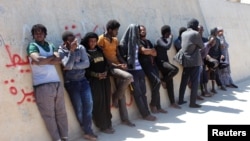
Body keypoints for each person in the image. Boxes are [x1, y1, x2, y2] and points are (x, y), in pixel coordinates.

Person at [27, 24, 68, 141]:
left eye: (41, 32)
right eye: (36, 33)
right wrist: (49, 59)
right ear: (33, 35)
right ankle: (57, 139)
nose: (38, 35)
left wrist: (45, 59)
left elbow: (59, 59)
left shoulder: (50, 45)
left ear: (45, 34)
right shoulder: (32, 46)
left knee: (61, 113)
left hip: (56, 83)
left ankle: (65, 137)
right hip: (42, 85)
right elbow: (37, 60)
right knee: (49, 116)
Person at [58, 31, 97, 141]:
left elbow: (86, 63)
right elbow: (67, 66)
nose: (74, 42)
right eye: (71, 41)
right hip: (71, 83)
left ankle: (88, 131)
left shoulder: (81, 48)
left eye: (74, 40)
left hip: (83, 80)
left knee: (89, 104)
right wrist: (71, 51)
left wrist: (72, 66)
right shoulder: (61, 51)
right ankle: (86, 130)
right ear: (66, 42)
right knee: (79, 108)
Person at [97, 19, 135, 127]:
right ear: (109, 30)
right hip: (109, 67)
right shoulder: (101, 39)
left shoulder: (114, 39)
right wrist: (116, 65)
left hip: (117, 66)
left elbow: (117, 54)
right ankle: (115, 97)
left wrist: (124, 63)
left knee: (122, 92)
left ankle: (125, 118)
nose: (117, 32)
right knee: (128, 77)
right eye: (116, 30)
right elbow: (102, 57)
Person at [119, 23, 156, 121]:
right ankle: (145, 114)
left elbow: (142, 51)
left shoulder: (136, 42)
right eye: (136, 31)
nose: (138, 33)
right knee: (137, 93)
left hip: (139, 69)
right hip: (132, 71)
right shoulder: (123, 43)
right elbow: (121, 58)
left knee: (143, 92)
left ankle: (147, 112)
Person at [80, 32, 114, 134]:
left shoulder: (100, 51)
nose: (93, 43)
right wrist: (96, 75)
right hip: (94, 82)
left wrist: (106, 72)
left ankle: (108, 123)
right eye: (91, 41)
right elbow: (85, 70)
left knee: (107, 101)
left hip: (105, 80)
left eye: (95, 41)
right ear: (87, 41)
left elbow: (107, 64)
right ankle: (102, 125)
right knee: (99, 103)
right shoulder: (84, 53)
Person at [174, 18, 204, 108]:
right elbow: (202, 46)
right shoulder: (196, 34)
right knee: (194, 82)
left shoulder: (183, 33)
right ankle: (192, 103)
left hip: (185, 61)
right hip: (195, 61)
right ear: (195, 25)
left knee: (184, 81)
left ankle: (180, 100)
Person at [138, 25, 167, 113]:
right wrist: (150, 51)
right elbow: (143, 51)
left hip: (153, 64)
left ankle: (158, 106)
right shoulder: (138, 41)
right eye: (141, 30)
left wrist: (149, 51)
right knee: (157, 82)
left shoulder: (148, 41)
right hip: (146, 65)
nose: (143, 31)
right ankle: (153, 104)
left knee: (156, 84)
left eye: (144, 30)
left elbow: (155, 54)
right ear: (138, 32)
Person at [154, 25, 181, 109]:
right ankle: (163, 80)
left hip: (165, 62)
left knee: (170, 82)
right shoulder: (159, 40)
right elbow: (167, 46)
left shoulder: (164, 40)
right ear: (167, 33)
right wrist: (170, 38)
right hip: (161, 63)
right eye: (169, 33)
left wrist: (168, 39)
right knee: (175, 69)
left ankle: (172, 102)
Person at [206, 27, 225, 93]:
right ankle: (216, 86)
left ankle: (216, 87)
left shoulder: (218, 40)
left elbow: (220, 49)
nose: (217, 33)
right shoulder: (210, 38)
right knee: (213, 73)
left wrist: (221, 56)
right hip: (211, 59)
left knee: (215, 73)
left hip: (216, 58)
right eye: (216, 31)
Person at [198, 25, 213, 98]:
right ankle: (202, 91)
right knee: (199, 76)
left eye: (202, 30)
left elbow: (207, 49)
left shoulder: (204, 39)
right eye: (199, 30)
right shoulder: (196, 39)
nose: (201, 31)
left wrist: (208, 55)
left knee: (204, 75)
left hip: (203, 60)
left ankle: (206, 90)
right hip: (197, 61)